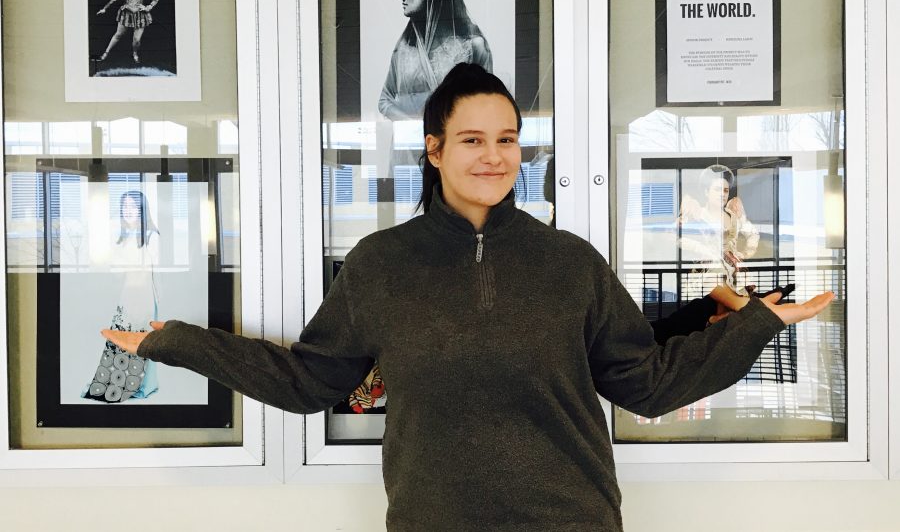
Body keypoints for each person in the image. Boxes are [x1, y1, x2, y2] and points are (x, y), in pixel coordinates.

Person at [103, 64, 833, 530]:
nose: (495, 157)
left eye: (509, 139)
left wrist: (758, 322)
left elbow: (644, 384)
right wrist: (180, 341)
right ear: (434, 149)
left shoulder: (569, 262)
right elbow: (309, 380)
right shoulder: (381, 265)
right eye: (474, 139)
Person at [378, 0, 493, 121]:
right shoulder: (403, 49)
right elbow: (385, 99)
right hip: (413, 142)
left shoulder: (473, 45)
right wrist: (416, 127)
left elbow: (486, 102)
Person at [85, 190, 160, 402]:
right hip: (125, 294)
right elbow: (114, 268)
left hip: (144, 295)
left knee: (141, 338)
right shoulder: (121, 236)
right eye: (124, 207)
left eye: (132, 207)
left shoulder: (152, 236)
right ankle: (113, 384)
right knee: (119, 336)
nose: (127, 211)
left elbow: (156, 271)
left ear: (142, 209)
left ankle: (140, 385)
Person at [678, 163, 760, 295]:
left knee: (738, 309)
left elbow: (753, 234)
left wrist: (744, 253)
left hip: (734, 272)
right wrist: (700, 248)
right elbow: (678, 238)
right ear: (706, 192)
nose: (722, 194)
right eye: (717, 189)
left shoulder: (734, 216)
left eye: (725, 190)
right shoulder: (697, 214)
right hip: (708, 273)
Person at [96, 0, 160, 65]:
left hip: (140, 14)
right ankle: (105, 53)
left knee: (137, 39)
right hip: (126, 13)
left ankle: (135, 53)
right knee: (118, 34)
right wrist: (105, 8)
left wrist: (148, 7)